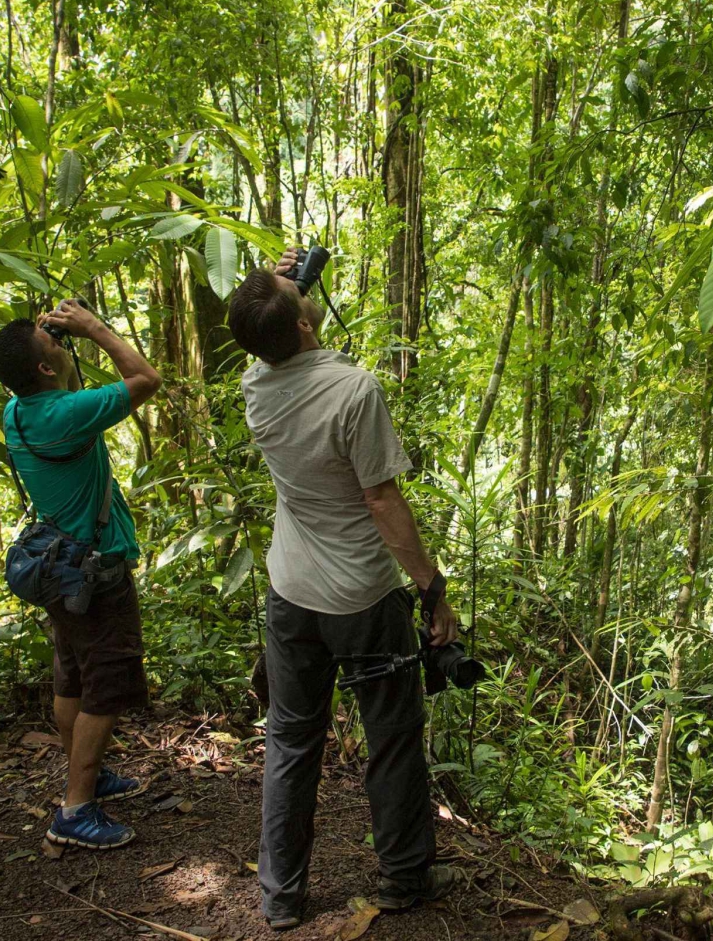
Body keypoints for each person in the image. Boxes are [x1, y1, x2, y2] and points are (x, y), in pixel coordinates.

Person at [227, 250, 465, 930]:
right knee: (390, 734)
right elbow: (382, 499)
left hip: (291, 592)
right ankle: (404, 875)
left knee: (292, 739)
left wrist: (280, 290)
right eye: (294, 295)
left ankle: (281, 896)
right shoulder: (353, 390)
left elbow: (271, 333)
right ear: (304, 324)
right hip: (362, 596)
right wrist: (432, 588)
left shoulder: (255, 383)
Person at [0, 300, 162, 850]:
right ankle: (76, 806)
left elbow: (46, 374)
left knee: (73, 674)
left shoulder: (18, 411)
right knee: (106, 682)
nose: (62, 347)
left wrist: (44, 344)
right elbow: (145, 378)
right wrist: (94, 328)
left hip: (59, 569)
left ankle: (85, 775)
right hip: (94, 571)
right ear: (44, 369)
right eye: (54, 347)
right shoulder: (65, 415)